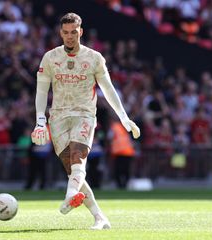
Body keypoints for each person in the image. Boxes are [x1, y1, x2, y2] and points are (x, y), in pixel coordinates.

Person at [31, 13, 140, 230]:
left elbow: (108, 89)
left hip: (84, 114)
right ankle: (100, 217)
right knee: (73, 172)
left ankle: (70, 195)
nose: (69, 37)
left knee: (78, 157)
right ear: (60, 33)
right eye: (65, 32)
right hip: (58, 118)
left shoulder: (94, 58)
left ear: (81, 32)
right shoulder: (50, 58)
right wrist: (40, 121)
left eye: (73, 32)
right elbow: (41, 91)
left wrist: (124, 117)